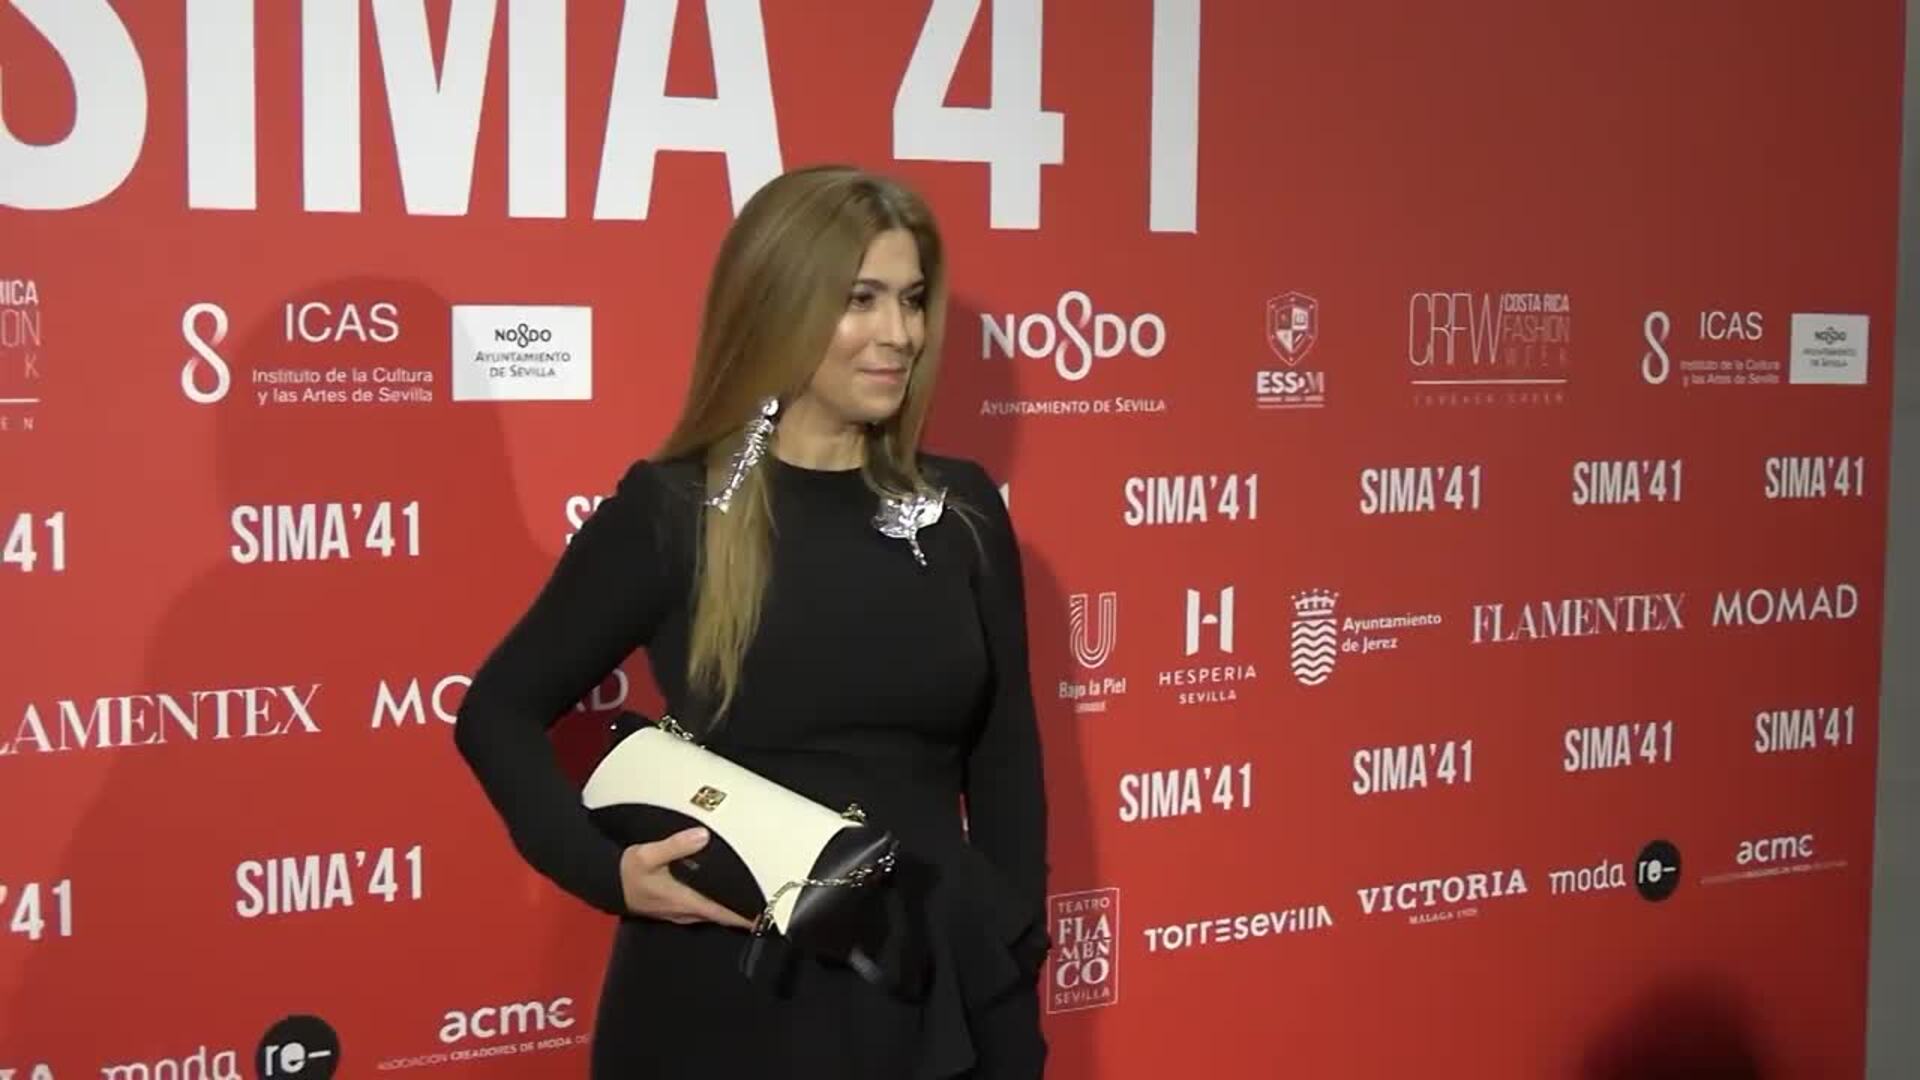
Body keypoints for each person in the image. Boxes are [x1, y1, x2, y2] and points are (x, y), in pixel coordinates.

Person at [452, 163, 1050, 1078]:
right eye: (860, 299)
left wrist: (1010, 959)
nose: (899, 333)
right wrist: (604, 872)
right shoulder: (675, 511)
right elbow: (497, 711)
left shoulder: (960, 509)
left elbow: (1006, 759)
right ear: (779, 304)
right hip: (725, 1001)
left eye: (911, 300)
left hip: (928, 992)